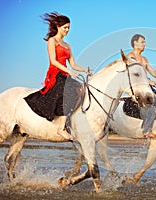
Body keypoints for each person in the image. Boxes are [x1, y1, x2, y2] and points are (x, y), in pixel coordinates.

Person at [24, 12, 92, 140]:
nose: (67, 30)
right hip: (56, 74)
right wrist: (69, 71)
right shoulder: (52, 41)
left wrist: (85, 70)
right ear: (58, 26)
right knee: (67, 92)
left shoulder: (67, 45)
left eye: (68, 28)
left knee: (82, 90)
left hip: (65, 74)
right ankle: (61, 127)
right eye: (65, 27)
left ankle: (74, 122)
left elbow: (73, 64)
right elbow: (53, 61)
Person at [127, 34, 156, 138]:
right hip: (137, 86)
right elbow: (134, 74)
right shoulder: (130, 57)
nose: (144, 44)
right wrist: (148, 81)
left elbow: (152, 71)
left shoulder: (144, 59)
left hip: (146, 86)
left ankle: (152, 124)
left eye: (144, 42)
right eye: (142, 42)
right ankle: (146, 130)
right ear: (135, 43)